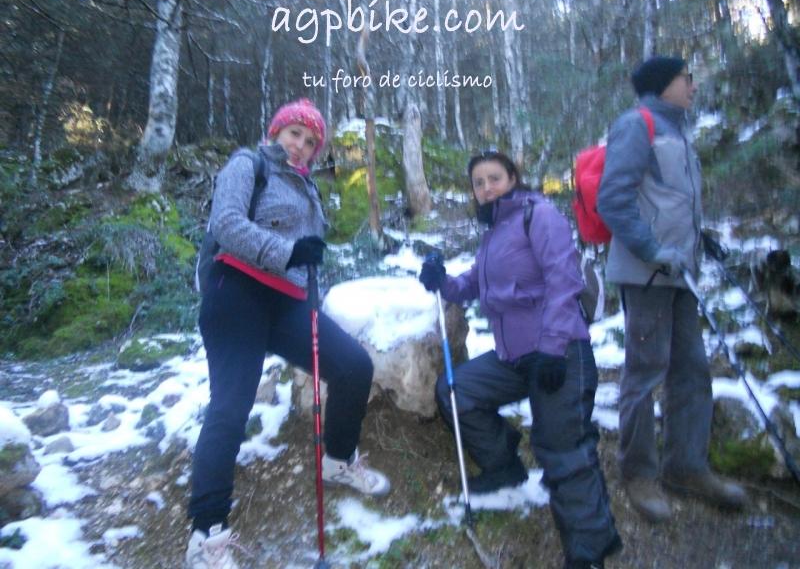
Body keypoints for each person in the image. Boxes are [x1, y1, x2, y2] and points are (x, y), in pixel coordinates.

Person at [186, 98, 390, 568]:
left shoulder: (307, 188)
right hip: (235, 289)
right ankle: (207, 532)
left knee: (353, 366)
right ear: (277, 130)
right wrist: (291, 252)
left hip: (287, 302)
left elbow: (303, 257)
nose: (301, 146)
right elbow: (228, 224)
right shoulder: (248, 163)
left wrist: (307, 261)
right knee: (231, 407)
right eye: (295, 133)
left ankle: (338, 460)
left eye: (311, 141)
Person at [419, 151, 622, 569]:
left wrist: (552, 347)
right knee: (457, 391)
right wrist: (442, 281)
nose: (486, 187)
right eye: (478, 182)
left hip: (559, 351)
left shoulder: (539, 215)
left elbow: (564, 281)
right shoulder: (493, 232)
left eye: (494, 177)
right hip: (513, 358)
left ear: (513, 178)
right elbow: (473, 283)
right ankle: (504, 466)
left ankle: (589, 549)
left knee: (561, 447)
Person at [597, 56, 747, 523]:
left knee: (692, 370)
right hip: (647, 274)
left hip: (682, 272)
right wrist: (653, 249)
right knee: (645, 372)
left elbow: (669, 201)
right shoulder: (635, 125)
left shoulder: (678, 132)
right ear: (665, 85)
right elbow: (613, 199)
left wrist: (702, 242)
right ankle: (638, 473)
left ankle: (686, 466)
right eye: (687, 79)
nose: (693, 86)